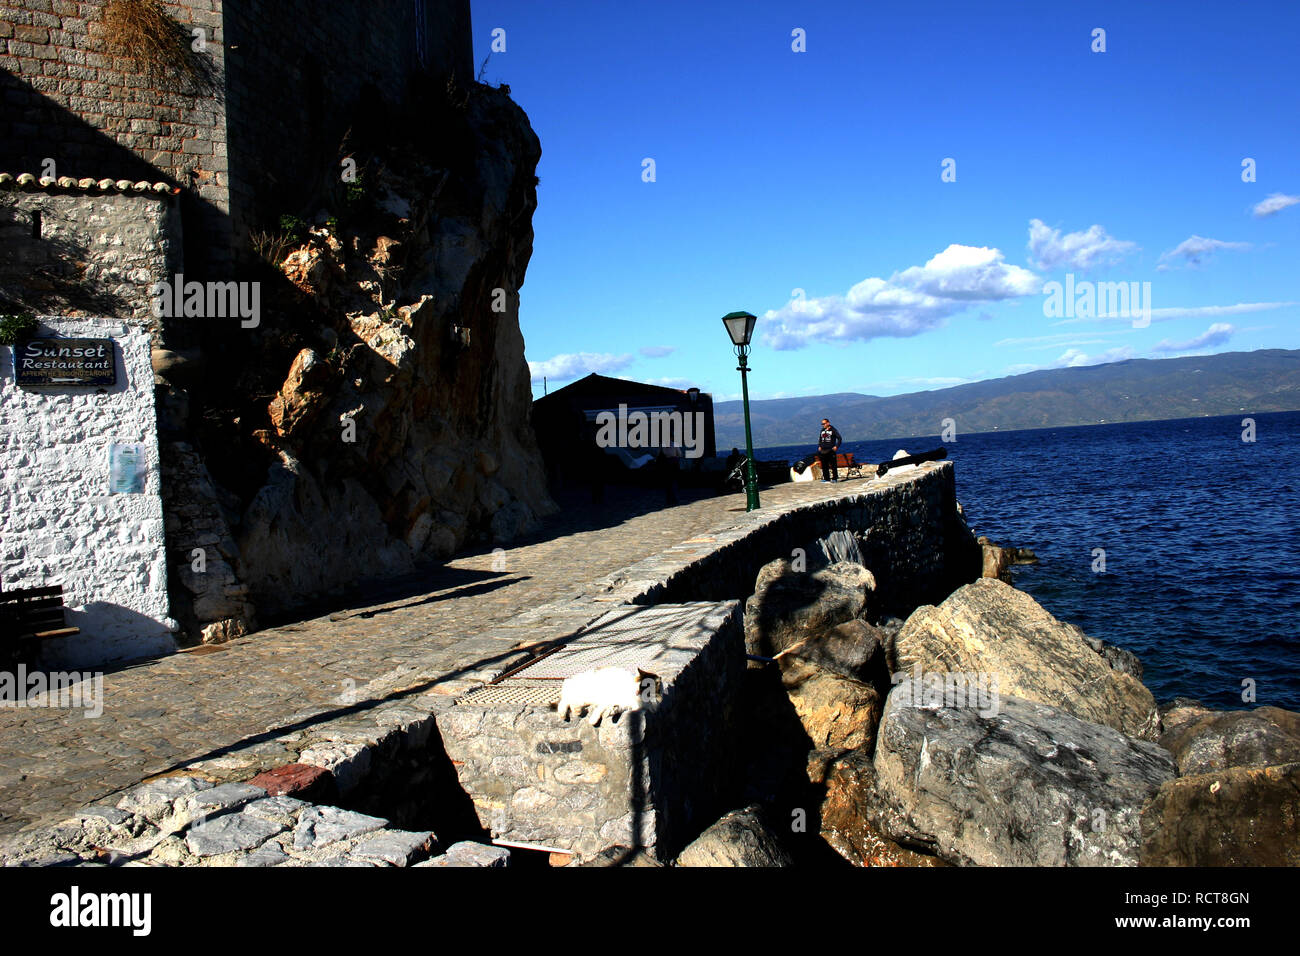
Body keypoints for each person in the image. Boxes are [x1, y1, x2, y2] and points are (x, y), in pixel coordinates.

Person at [817, 418, 842, 482]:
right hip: (823, 450)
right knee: (824, 465)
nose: (823, 425)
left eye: (824, 423)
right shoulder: (822, 430)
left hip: (830, 450)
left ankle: (834, 478)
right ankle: (826, 478)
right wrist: (819, 445)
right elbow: (820, 439)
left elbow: (839, 438)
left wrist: (836, 446)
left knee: (833, 465)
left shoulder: (833, 430)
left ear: (828, 423)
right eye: (822, 424)